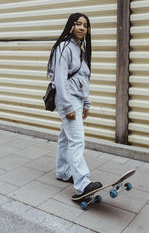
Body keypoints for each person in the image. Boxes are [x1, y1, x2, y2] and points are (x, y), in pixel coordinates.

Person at [47, 13, 102, 199]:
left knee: (65, 137)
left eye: (85, 25)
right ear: (70, 26)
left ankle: (63, 172)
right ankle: (82, 185)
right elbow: (60, 80)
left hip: (77, 100)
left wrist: (87, 102)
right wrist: (68, 106)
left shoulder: (80, 49)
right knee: (77, 140)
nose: (82, 28)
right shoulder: (63, 47)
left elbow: (84, 78)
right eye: (78, 24)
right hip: (68, 100)